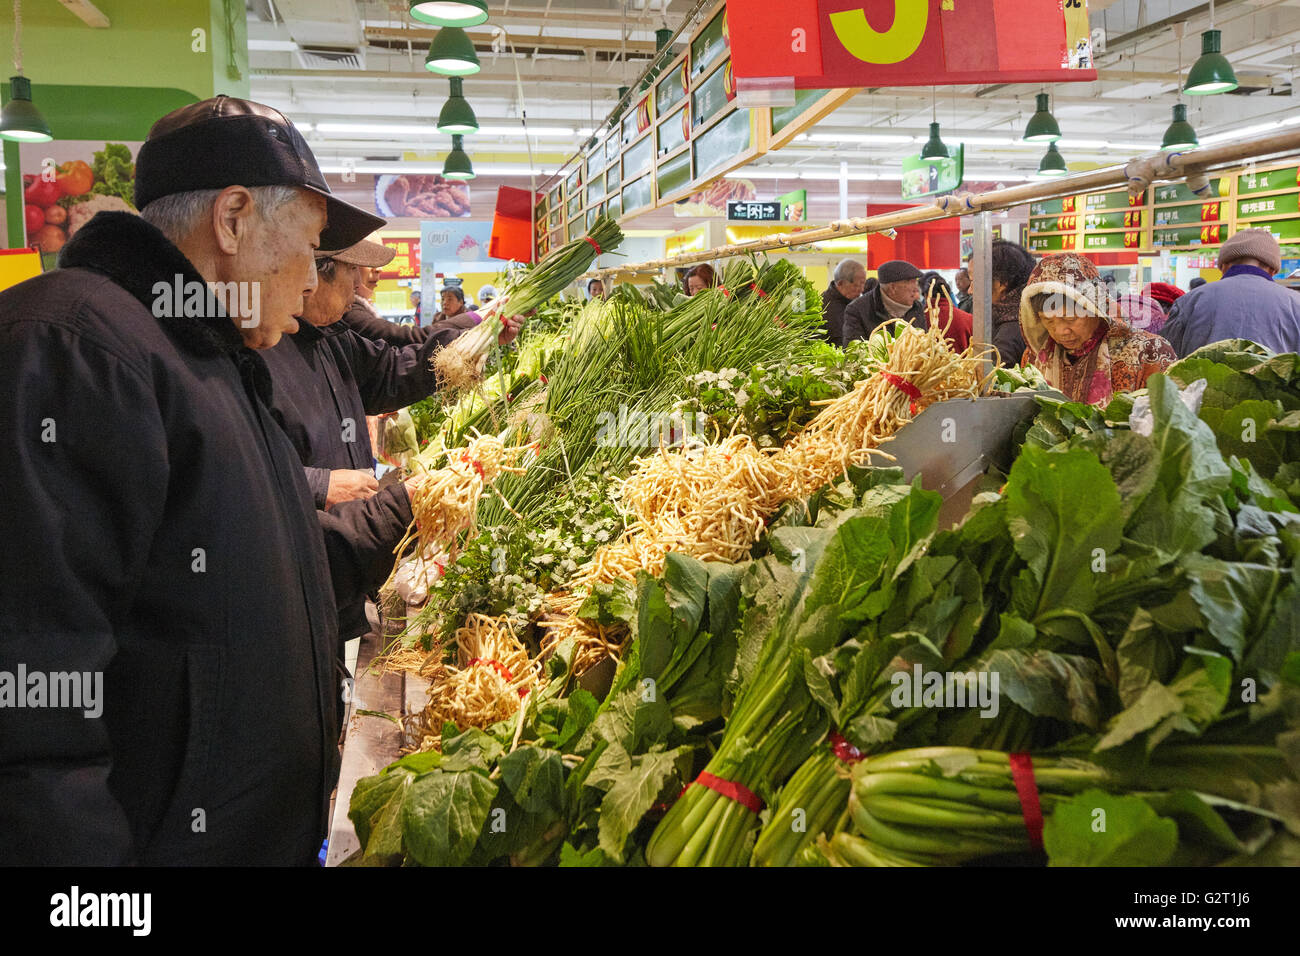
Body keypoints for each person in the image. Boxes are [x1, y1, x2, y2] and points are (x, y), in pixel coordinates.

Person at [0, 95, 390, 865]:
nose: (315, 278)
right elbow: (33, 700)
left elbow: (244, 583)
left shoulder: (216, 361)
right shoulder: (75, 349)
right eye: (312, 245)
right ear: (235, 218)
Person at [262, 239, 523, 642]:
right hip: (295, 580)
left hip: (337, 577)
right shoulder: (258, 349)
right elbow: (241, 470)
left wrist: (470, 348)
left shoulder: (330, 335)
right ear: (315, 274)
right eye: (352, 274)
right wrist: (321, 483)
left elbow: (388, 372)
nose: (358, 287)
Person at [1020, 252, 1175, 405]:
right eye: (1048, 321)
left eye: (1070, 319)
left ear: (1095, 308)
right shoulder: (1035, 357)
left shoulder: (1148, 353)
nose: (1061, 331)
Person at [1161, 229, 1300, 356]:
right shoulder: (1295, 303)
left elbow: (1165, 360)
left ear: (1223, 265)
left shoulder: (1189, 301)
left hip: (1198, 384)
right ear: (1273, 270)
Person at [970, 239, 1035, 367]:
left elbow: (992, 379)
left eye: (975, 281)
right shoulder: (1024, 313)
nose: (970, 290)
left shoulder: (1010, 329)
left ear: (1001, 284)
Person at [841, 259, 927, 344]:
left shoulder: (917, 308)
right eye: (910, 282)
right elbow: (854, 350)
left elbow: (924, 342)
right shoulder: (857, 310)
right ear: (893, 288)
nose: (916, 290)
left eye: (916, 282)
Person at [921, 271, 973, 352]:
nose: (958, 283)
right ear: (948, 294)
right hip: (963, 364)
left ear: (926, 296)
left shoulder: (919, 318)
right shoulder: (968, 319)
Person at [821, 258, 866, 346]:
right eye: (856, 285)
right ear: (841, 283)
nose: (861, 289)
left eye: (863, 284)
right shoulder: (822, 307)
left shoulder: (859, 306)